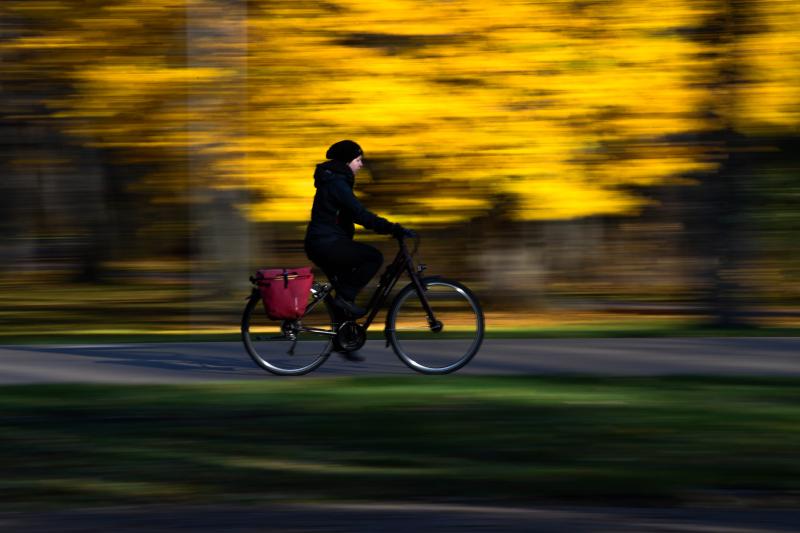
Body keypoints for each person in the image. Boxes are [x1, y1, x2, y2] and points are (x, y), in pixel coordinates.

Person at [304, 140, 413, 342]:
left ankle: (343, 340)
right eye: (358, 159)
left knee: (345, 288)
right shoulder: (337, 183)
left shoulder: (335, 181)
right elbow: (360, 214)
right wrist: (393, 228)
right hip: (326, 243)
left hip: (324, 243)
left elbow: (354, 215)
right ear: (347, 162)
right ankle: (344, 301)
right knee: (373, 258)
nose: (361, 165)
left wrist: (387, 228)